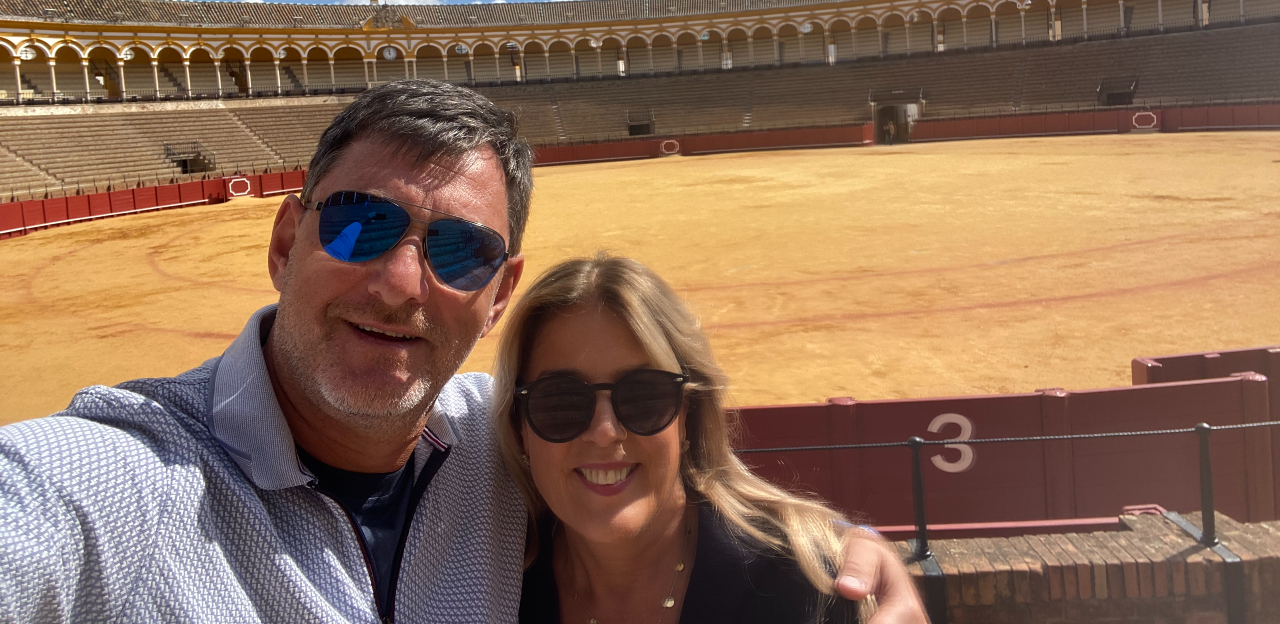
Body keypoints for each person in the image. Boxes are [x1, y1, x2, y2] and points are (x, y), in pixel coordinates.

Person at [0, 80, 924, 623]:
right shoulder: (110, 481)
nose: (403, 284)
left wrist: (842, 549)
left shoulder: (508, 432)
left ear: (497, 296)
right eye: (362, 225)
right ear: (286, 243)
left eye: (458, 252)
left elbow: (665, 465)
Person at [496, 254, 867, 624]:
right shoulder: (491, 587)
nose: (606, 431)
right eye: (561, 401)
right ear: (519, 429)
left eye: (643, 396)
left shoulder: (801, 586)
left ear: (687, 414)